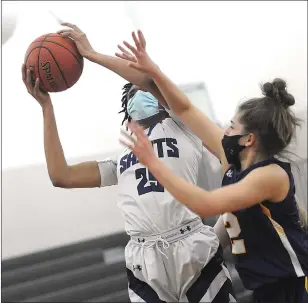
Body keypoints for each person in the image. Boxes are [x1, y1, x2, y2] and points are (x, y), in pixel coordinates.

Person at [21, 23, 236, 302]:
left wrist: (91, 54)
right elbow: (61, 175)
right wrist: (46, 108)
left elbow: (149, 81)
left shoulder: (182, 126)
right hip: (143, 258)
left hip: (190, 245)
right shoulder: (122, 158)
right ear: (127, 107)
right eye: (132, 91)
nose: (141, 92)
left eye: (143, 89)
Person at [119, 30, 308, 303]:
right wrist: (152, 71)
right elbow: (184, 110)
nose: (224, 129)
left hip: (295, 290)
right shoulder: (233, 162)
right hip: (268, 292)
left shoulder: (269, 175)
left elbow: (206, 204)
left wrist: (152, 163)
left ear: (248, 139)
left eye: (231, 125)